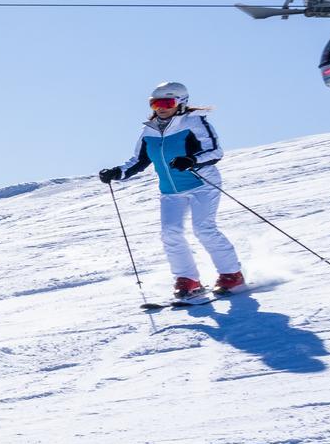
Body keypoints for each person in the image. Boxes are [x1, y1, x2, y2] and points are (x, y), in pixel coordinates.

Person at [98, 80, 245, 299]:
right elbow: (139, 160)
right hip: (170, 191)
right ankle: (188, 279)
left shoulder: (194, 122)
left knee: (203, 229)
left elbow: (215, 152)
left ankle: (231, 274)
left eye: (167, 102)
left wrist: (191, 160)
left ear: (181, 102)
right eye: (155, 103)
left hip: (201, 184)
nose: (161, 107)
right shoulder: (149, 131)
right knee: (170, 233)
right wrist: (117, 172)